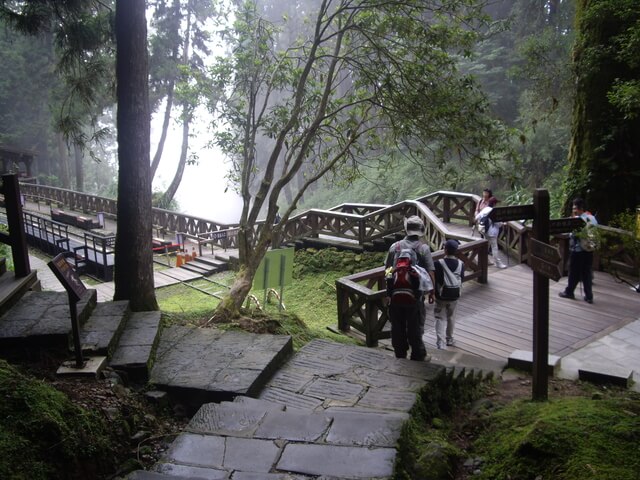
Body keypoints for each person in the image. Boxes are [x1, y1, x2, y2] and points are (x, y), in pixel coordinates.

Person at [385, 215, 436, 361]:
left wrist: (388, 292)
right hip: (415, 295)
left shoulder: (395, 247)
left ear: (406, 230)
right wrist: (432, 292)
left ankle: (400, 353)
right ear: (421, 231)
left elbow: (388, 270)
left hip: (395, 295)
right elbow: (430, 271)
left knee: (397, 325)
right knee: (415, 325)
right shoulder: (423, 249)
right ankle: (418, 354)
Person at [559, 198, 598, 304]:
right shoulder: (591, 218)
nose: (573, 210)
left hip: (578, 250)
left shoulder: (578, 220)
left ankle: (569, 292)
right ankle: (589, 296)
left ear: (579, 208)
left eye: (574, 207)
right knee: (586, 273)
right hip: (589, 249)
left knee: (573, 272)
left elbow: (572, 233)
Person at [434, 239, 465, 349]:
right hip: (455, 295)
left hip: (441, 295)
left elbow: (435, 279)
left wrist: (432, 292)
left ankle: (440, 343)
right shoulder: (461, 264)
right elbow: (462, 278)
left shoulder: (438, 263)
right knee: (451, 317)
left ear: (445, 250)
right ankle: (450, 339)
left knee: (440, 318)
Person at [476, 198, 507, 268]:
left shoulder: (485, 209)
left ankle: (485, 261)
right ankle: (498, 263)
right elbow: (498, 223)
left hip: (484, 231)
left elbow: (477, 217)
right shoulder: (493, 211)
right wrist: (503, 224)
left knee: (486, 246)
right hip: (492, 232)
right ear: (494, 204)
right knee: (494, 247)